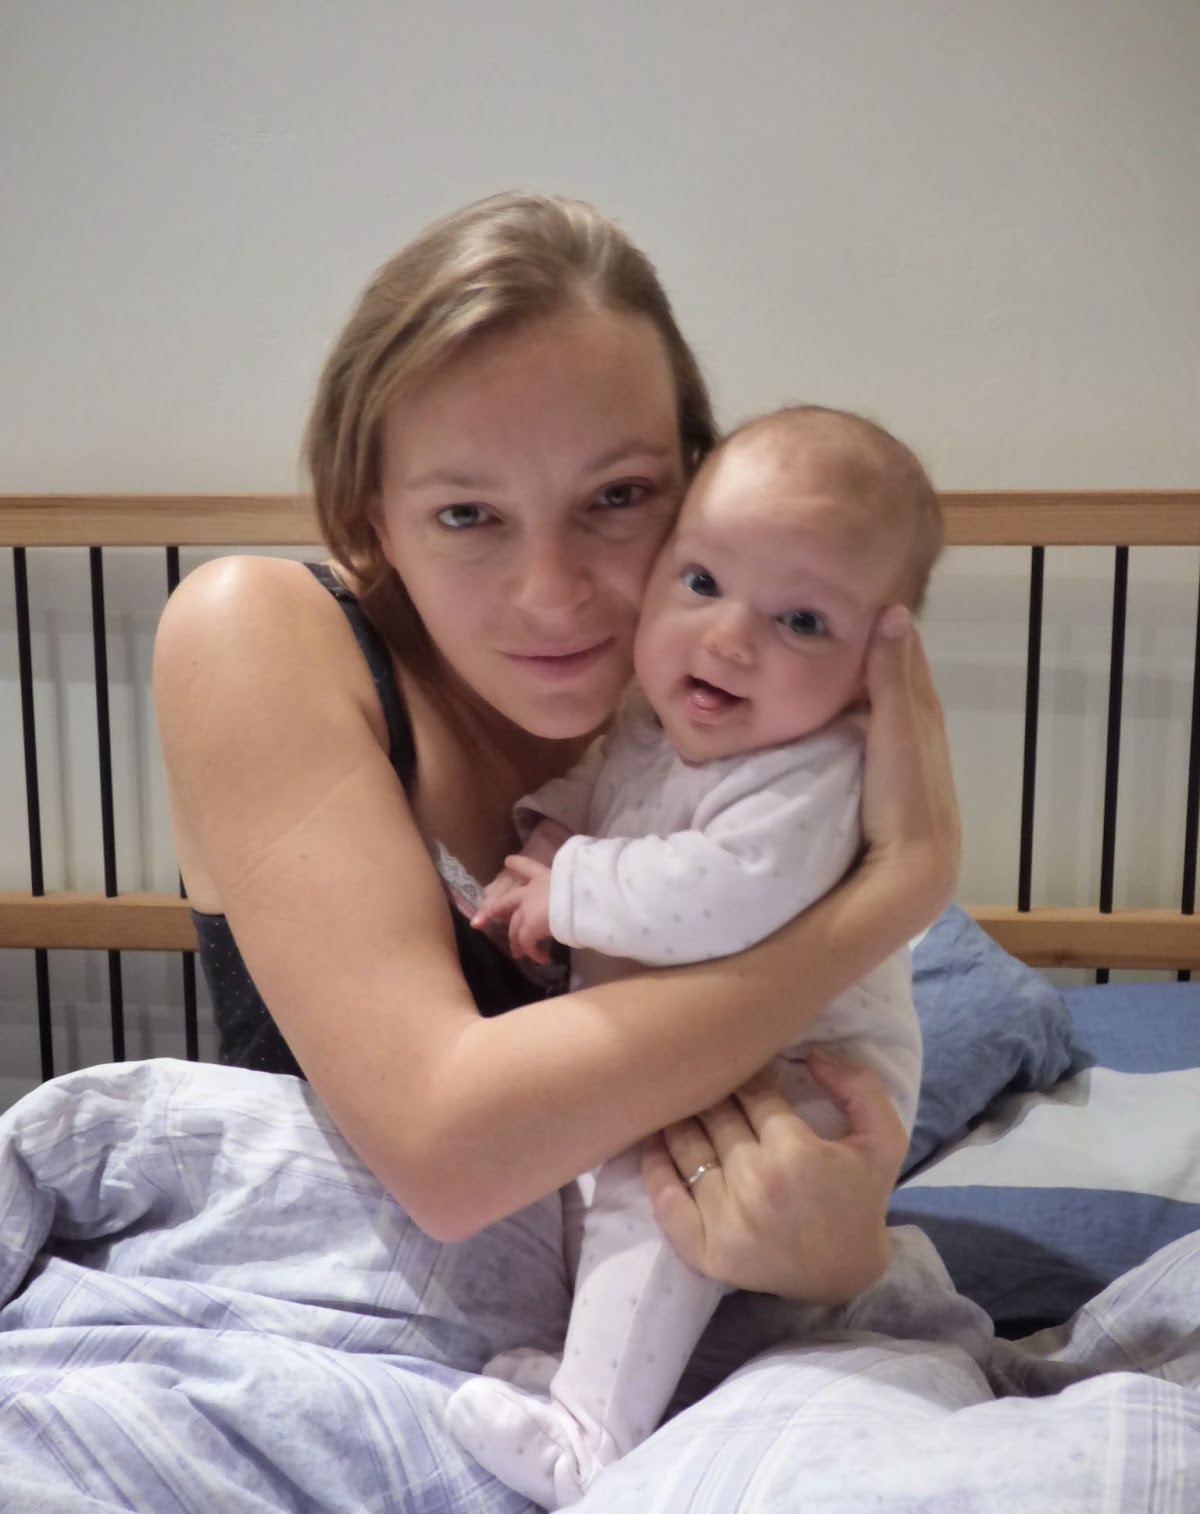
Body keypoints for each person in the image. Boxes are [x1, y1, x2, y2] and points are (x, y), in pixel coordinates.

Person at [153, 192, 958, 1338]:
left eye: (617, 498)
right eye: (467, 514)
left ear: (697, 484)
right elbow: (449, 1152)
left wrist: (840, 1251)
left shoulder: (715, 705)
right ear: (374, 521)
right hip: (348, 1329)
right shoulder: (261, 630)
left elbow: (803, 1106)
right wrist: (893, 895)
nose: (552, 594)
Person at [444, 405, 944, 1507]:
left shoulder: (814, 768)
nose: (728, 640)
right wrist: (550, 829)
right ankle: (598, 1365)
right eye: (704, 582)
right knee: (605, 1191)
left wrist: (572, 887)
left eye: (802, 620)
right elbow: (611, 783)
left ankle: (590, 1441)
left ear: (872, 672)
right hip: (691, 1050)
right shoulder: (654, 713)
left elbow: (719, 895)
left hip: (795, 1082)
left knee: (655, 1199)